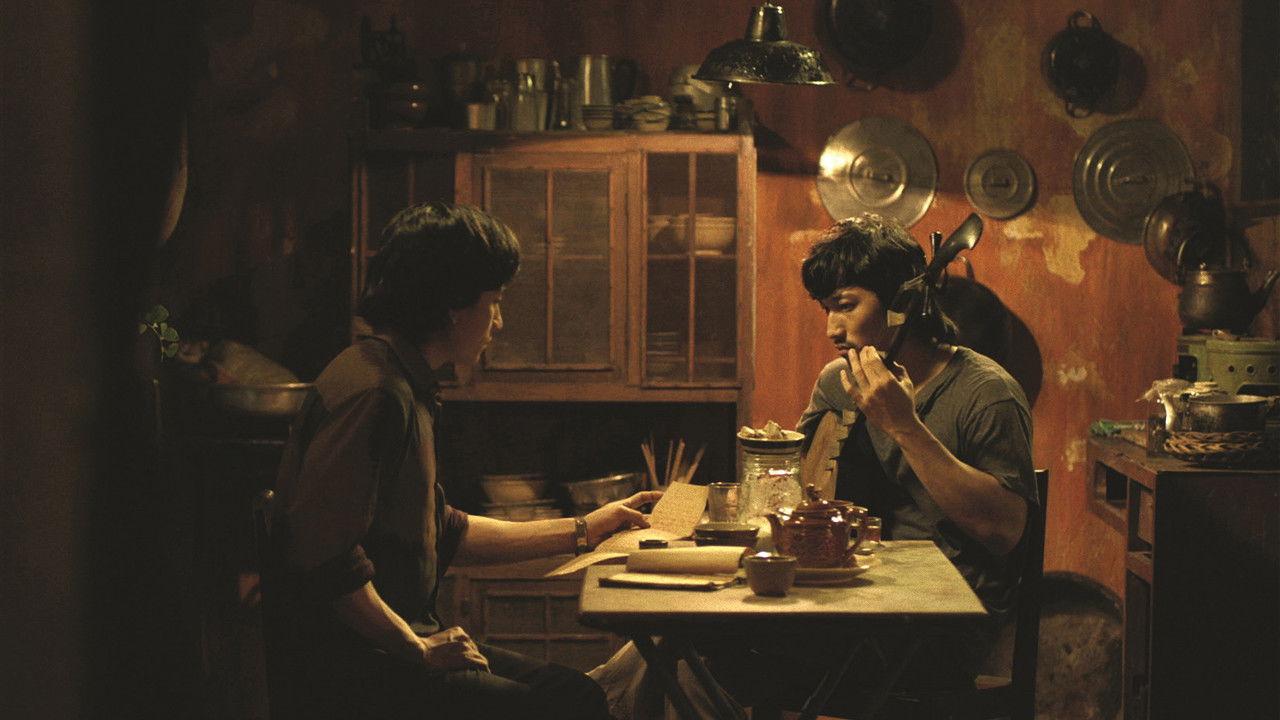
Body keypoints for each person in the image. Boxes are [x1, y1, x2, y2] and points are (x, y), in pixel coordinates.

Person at [592, 213, 1036, 719]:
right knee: (672, 635)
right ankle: (587, 699)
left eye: (845, 306)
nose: (832, 329)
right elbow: (794, 491)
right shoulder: (837, 383)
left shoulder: (987, 393)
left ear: (904, 303)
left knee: (688, 655)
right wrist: (703, 516)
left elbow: (1003, 531)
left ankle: (580, 700)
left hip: (935, 632)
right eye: (826, 309)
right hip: (847, 601)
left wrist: (904, 426)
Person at [270, 201, 661, 720]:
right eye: (493, 302)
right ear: (453, 305)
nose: (498, 321)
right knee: (567, 708)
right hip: (359, 666)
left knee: (577, 695)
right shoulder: (376, 391)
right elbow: (324, 552)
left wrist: (586, 528)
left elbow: (444, 530)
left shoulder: (399, 379)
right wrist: (415, 648)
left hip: (389, 648)